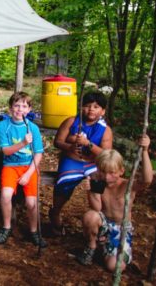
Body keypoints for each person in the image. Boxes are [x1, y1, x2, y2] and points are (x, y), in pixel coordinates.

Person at [77, 135, 153, 272]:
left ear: (121, 171)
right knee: (90, 216)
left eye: (112, 173)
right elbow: (97, 208)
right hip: (104, 224)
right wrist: (92, 191)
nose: (107, 177)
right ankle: (92, 246)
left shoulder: (127, 185)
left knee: (114, 266)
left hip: (121, 228)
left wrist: (145, 151)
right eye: (103, 172)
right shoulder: (98, 181)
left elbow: (147, 181)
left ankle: (110, 249)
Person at [50, 92, 113, 234]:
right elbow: (58, 141)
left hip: (92, 163)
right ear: (80, 108)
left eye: (96, 107)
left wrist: (88, 144)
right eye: (87, 106)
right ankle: (55, 212)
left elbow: (106, 154)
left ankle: (100, 218)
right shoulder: (71, 121)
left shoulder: (105, 129)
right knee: (64, 184)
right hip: (72, 160)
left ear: (102, 111)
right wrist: (70, 146)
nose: (91, 109)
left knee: (101, 182)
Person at [0, 92, 47, 247]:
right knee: (5, 195)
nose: (20, 109)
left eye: (24, 106)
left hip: (29, 167)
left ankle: (34, 231)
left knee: (31, 203)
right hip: (10, 166)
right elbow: (5, 151)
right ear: (10, 108)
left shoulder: (33, 128)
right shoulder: (4, 125)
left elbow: (38, 153)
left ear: (29, 110)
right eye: (16, 105)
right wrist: (23, 143)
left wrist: (29, 174)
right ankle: (6, 227)